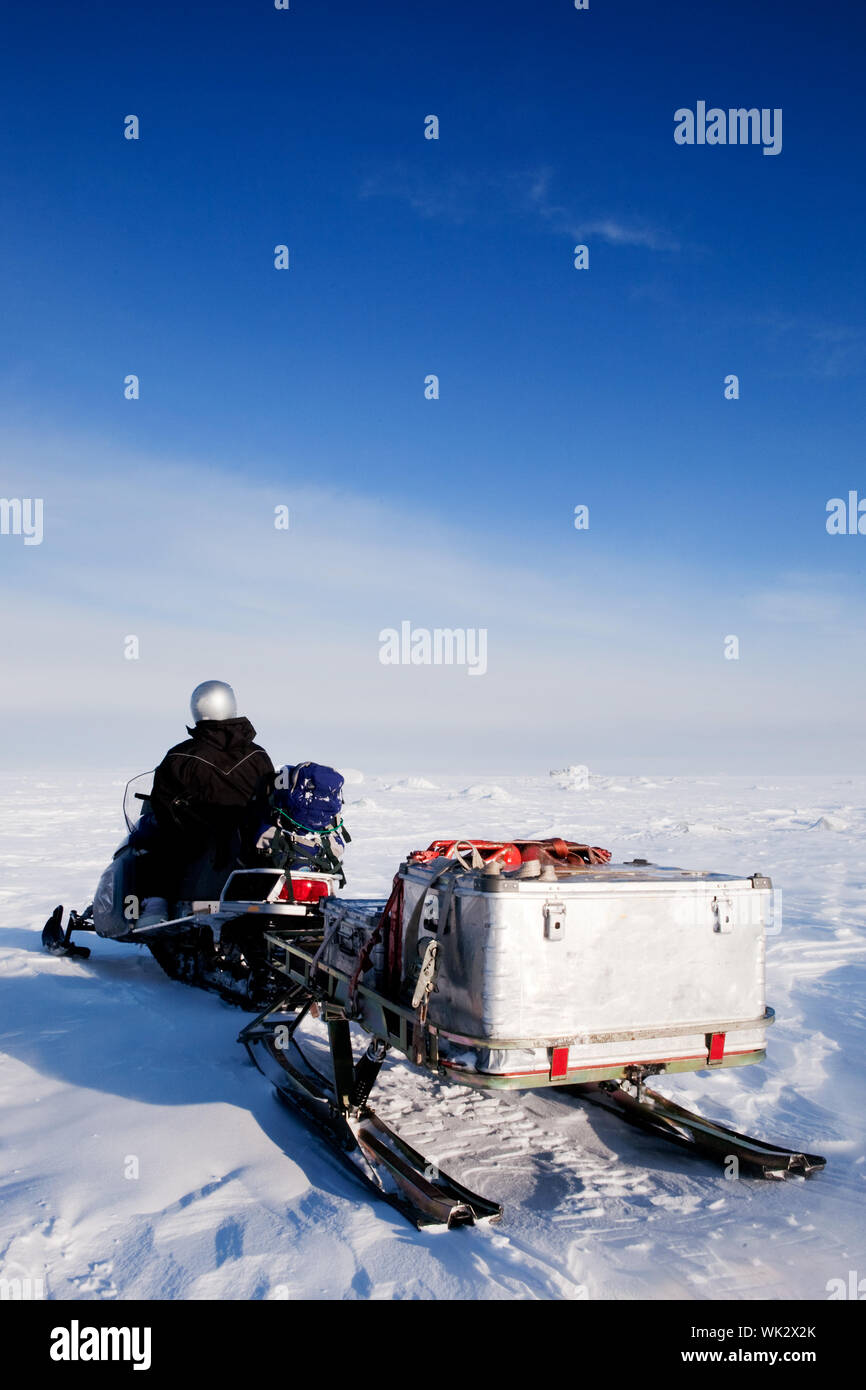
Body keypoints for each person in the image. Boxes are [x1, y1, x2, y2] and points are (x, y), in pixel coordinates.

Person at [137, 682, 275, 926]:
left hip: (197, 843)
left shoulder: (180, 756)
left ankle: (155, 905)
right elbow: (269, 800)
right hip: (246, 845)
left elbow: (162, 806)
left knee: (154, 837)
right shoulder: (258, 756)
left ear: (197, 709)